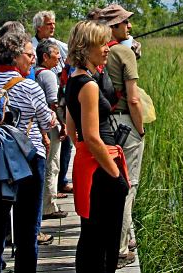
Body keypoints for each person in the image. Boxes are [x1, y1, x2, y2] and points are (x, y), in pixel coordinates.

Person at [0, 31, 56, 273]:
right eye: (29, 55)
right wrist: (53, 119)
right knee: (27, 228)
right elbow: (46, 121)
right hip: (29, 159)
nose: (32, 60)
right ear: (15, 57)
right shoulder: (30, 87)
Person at [64, 20, 129, 273]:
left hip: (86, 163)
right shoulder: (89, 86)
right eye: (101, 43)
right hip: (101, 166)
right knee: (107, 240)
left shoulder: (74, 80)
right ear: (85, 47)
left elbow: (72, 129)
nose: (106, 48)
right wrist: (115, 174)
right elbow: (91, 136)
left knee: (90, 235)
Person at [98, 4, 145, 268]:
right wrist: (140, 129)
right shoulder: (123, 52)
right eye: (125, 23)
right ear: (114, 26)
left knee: (111, 185)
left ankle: (119, 239)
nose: (129, 27)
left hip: (104, 125)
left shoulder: (98, 52)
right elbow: (134, 99)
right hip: (125, 122)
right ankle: (120, 247)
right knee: (129, 186)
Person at [31, 11, 73, 195]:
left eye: (54, 24)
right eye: (49, 24)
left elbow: (71, 51)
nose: (53, 27)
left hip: (58, 94)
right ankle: (50, 193)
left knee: (65, 147)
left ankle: (61, 181)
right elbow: (52, 102)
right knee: (52, 152)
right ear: (39, 27)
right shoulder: (32, 47)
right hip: (47, 105)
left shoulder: (58, 45)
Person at [35, 40, 68, 221]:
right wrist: (63, 124)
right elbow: (53, 103)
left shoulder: (36, 73)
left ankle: (46, 204)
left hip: (41, 126)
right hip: (50, 126)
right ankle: (48, 206)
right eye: (56, 54)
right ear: (45, 56)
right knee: (52, 165)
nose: (59, 57)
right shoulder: (47, 75)